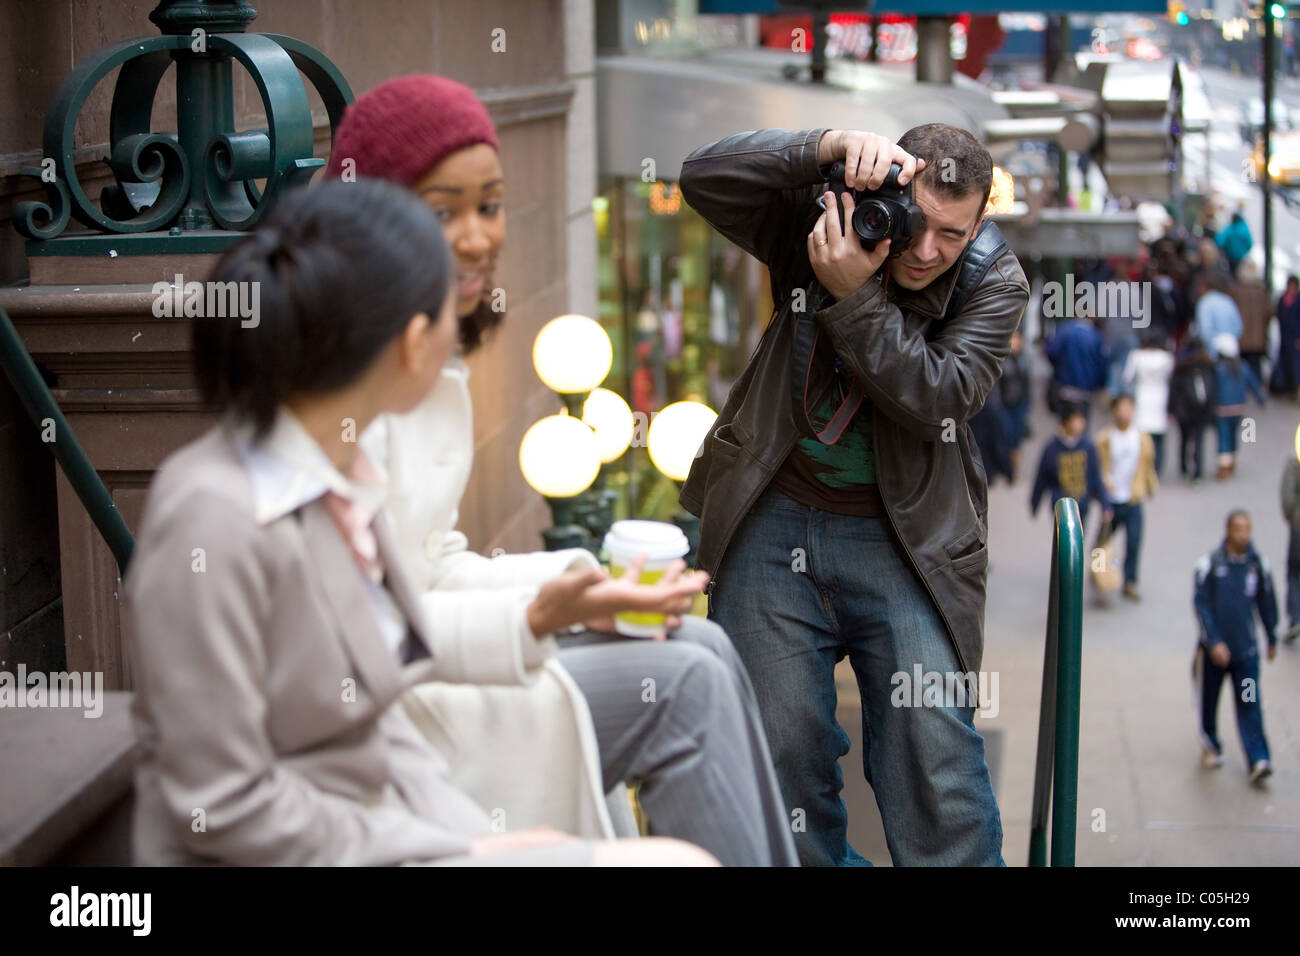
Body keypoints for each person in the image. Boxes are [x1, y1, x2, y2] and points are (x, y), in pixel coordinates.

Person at [121, 179, 714, 866]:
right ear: (411, 344)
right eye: (446, 313)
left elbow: (381, 709)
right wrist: (463, 848)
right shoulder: (211, 518)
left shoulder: (339, 484)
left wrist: (478, 839)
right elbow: (221, 810)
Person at [325, 75, 798, 866]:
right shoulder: (340, 388)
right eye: (442, 211)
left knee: (705, 649)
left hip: (448, 665)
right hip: (397, 719)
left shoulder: (430, 353)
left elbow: (429, 561)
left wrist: (581, 592)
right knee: (686, 686)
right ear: (374, 215)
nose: (477, 237)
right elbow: (353, 639)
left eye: (491, 204)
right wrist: (542, 617)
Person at [676, 124, 1027, 866]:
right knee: (778, 755)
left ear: (980, 225)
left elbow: (941, 396)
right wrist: (824, 148)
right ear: (890, 188)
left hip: (908, 540)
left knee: (934, 757)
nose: (927, 250)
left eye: (953, 235)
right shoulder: (825, 218)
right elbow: (703, 176)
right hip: (776, 519)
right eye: (916, 221)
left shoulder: (995, 281)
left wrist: (855, 296)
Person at [1193, 510, 1278, 785]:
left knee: (1250, 702)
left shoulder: (1257, 565)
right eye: (1239, 529)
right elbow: (1202, 605)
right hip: (1214, 656)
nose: (1244, 535)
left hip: (1245, 656)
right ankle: (1211, 744)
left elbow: (1267, 602)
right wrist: (1213, 641)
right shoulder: (1210, 565)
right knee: (1209, 702)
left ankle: (1258, 758)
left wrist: (1271, 636)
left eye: (1248, 529)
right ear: (1228, 531)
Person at [1094, 394, 1158, 600]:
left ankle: (1130, 581)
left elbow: (1147, 464)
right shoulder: (1104, 438)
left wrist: (1150, 485)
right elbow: (1097, 468)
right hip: (1112, 499)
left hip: (1133, 497)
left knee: (1134, 542)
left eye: (1129, 408)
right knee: (1102, 542)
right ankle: (1097, 575)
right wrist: (1103, 485)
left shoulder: (1142, 438)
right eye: (1122, 408)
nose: (1125, 413)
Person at [1030, 403, 1112, 533]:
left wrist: (1105, 504)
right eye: (1077, 419)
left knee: (1078, 538)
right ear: (1066, 421)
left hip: (1082, 503)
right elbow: (1041, 477)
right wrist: (1034, 502)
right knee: (1063, 539)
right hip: (1060, 506)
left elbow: (1096, 476)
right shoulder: (1052, 448)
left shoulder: (1088, 446)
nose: (1081, 423)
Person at [1211, 333, 1266, 481]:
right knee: (1233, 434)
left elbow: (1212, 389)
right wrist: (1262, 401)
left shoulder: (1218, 368)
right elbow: (1254, 385)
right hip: (1239, 408)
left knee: (1224, 435)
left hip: (1222, 409)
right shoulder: (1243, 366)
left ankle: (1224, 466)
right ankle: (1232, 459)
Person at [1123, 327, 1174, 477]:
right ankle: (1156, 469)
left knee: (1141, 436)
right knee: (1159, 438)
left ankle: (1142, 468)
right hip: (1161, 396)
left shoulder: (1137, 356)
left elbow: (1127, 377)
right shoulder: (1167, 358)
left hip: (1142, 396)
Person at [1169, 334, 1219, 484]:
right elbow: (1214, 389)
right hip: (1201, 410)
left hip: (1184, 410)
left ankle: (1184, 468)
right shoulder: (1208, 364)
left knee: (1184, 439)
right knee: (1199, 440)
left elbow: (1174, 389)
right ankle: (1197, 472)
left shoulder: (1181, 365)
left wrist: (1171, 410)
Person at [1045, 311, 1107, 424]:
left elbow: (1051, 352)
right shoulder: (1096, 337)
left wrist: (1058, 370)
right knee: (1081, 427)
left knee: (1065, 425)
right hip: (1085, 392)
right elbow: (1101, 365)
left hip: (1065, 388)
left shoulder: (1065, 330)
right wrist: (1100, 384)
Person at [1229, 259, 1271, 383]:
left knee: (1241, 365)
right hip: (1257, 336)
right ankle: (1257, 391)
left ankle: (1243, 388)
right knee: (1255, 364)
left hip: (1241, 335)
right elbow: (1269, 313)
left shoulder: (1235, 290)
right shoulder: (1261, 291)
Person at [999, 327, 1033, 479]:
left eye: (1017, 339)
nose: (1015, 342)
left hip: (1019, 403)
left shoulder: (1023, 360)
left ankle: (1014, 469)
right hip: (1005, 403)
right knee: (1006, 436)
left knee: (1016, 438)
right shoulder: (1001, 360)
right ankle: (1007, 468)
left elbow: (1027, 383)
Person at [1195, 271, 1243, 358]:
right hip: (1232, 349)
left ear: (1204, 286)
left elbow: (1205, 330)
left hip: (1216, 352)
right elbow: (1238, 327)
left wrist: (1210, 348)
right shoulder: (1227, 300)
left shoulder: (1205, 302)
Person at [1278, 455, 1300, 642]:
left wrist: (1293, 518)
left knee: (1294, 573)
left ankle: (1295, 619)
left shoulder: (1295, 462)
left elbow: (1287, 497)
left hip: (1298, 528)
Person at [1273, 275, 1300, 399]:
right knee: (1284, 362)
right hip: (1284, 336)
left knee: (1295, 364)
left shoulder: (1298, 299)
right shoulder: (1282, 299)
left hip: (1295, 337)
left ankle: (1295, 389)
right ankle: (1284, 387)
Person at [1215, 209, 1253, 278]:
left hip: (1231, 256)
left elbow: (1220, 241)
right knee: (1239, 275)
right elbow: (1249, 243)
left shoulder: (1230, 228)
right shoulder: (1244, 229)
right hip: (1241, 257)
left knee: (1232, 275)